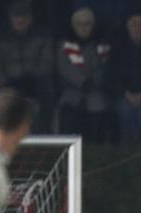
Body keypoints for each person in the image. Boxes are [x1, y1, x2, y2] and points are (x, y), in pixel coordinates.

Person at [0, 0, 53, 133]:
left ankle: (43, 137)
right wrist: (6, 82)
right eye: (16, 16)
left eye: (24, 16)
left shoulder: (43, 35)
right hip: (6, 85)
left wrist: (32, 79)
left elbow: (47, 62)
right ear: (10, 17)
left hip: (36, 84)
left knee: (47, 94)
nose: (20, 20)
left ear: (30, 18)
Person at [55, 7, 110, 142]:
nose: (83, 28)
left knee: (98, 115)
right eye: (79, 24)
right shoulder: (65, 44)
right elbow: (65, 68)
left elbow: (104, 67)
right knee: (68, 114)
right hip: (72, 92)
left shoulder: (101, 44)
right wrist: (83, 82)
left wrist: (94, 82)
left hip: (95, 91)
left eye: (87, 24)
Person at [109, 13, 141, 145]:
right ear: (128, 27)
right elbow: (111, 75)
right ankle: (126, 150)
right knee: (125, 111)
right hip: (123, 95)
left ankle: (140, 151)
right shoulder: (118, 48)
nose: (137, 28)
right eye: (134, 24)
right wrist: (126, 93)